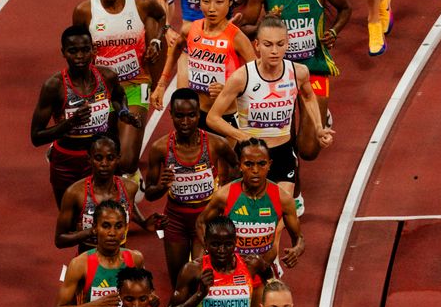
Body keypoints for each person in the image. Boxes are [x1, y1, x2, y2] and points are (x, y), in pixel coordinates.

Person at [206, 14, 333, 201]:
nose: (274, 51)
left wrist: (318, 127)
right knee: (251, 211)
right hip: (250, 155)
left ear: (287, 44)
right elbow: (212, 117)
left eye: (280, 44)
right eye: (268, 45)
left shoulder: (299, 72)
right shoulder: (242, 77)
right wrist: (241, 136)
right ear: (257, 45)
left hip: (282, 153)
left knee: (280, 209)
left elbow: (308, 96)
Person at [30, 23, 139, 208]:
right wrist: (70, 124)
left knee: (104, 214)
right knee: (70, 217)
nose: (79, 56)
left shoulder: (108, 76)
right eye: (73, 51)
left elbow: (119, 95)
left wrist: (123, 112)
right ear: (63, 52)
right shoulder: (54, 86)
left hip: (100, 160)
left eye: (85, 50)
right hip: (66, 163)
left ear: (93, 50)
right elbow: (36, 137)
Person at [139, 88, 232, 294]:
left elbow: (237, 171)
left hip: (206, 220)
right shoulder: (160, 148)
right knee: (179, 283)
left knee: (201, 279)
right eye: (179, 116)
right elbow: (150, 194)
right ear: (171, 115)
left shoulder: (216, 143)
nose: (185, 122)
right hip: (176, 221)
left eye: (191, 115)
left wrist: (223, 192)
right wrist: (162, 186)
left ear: (199, 114)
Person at [196, 137, 304, 279]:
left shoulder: (283, 199)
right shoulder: (224, 195)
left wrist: (296, 250)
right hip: (231, 270)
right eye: (248, 164)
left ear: (269, 164)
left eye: (261, 164)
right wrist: (210, 251)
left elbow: (299, 238)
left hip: (263, 269)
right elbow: (201, 223)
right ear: (240, 165)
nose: (255, 170)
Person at [71, 0, 165, 110]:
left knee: (128, 126)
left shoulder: (143, 3)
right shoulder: (84, 11)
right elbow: (76, 49)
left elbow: (161, 17)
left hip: (137, 83)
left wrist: (156, 40)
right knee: (108, 127)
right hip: (101, 86)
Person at [151, 0, 253, 113]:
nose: (211, 9)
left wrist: (230, 91)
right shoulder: (190, 29)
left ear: (230, 1)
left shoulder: (237, 38)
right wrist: (162, 84)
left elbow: (257, 77)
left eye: (219, 2)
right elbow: (177, 47)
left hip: (225, 115)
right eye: (206, 1)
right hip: (197, 113)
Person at [54, 134, 139, 251]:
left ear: (118, 159)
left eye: (110, 158)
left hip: (120, 259)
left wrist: (144, 223)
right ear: (89, 159)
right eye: (98, 158)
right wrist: (90, 232)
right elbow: (59, 240)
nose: (104, 164)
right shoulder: (75, 193)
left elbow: (128, 210)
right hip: (88, 260)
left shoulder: (130, 188)